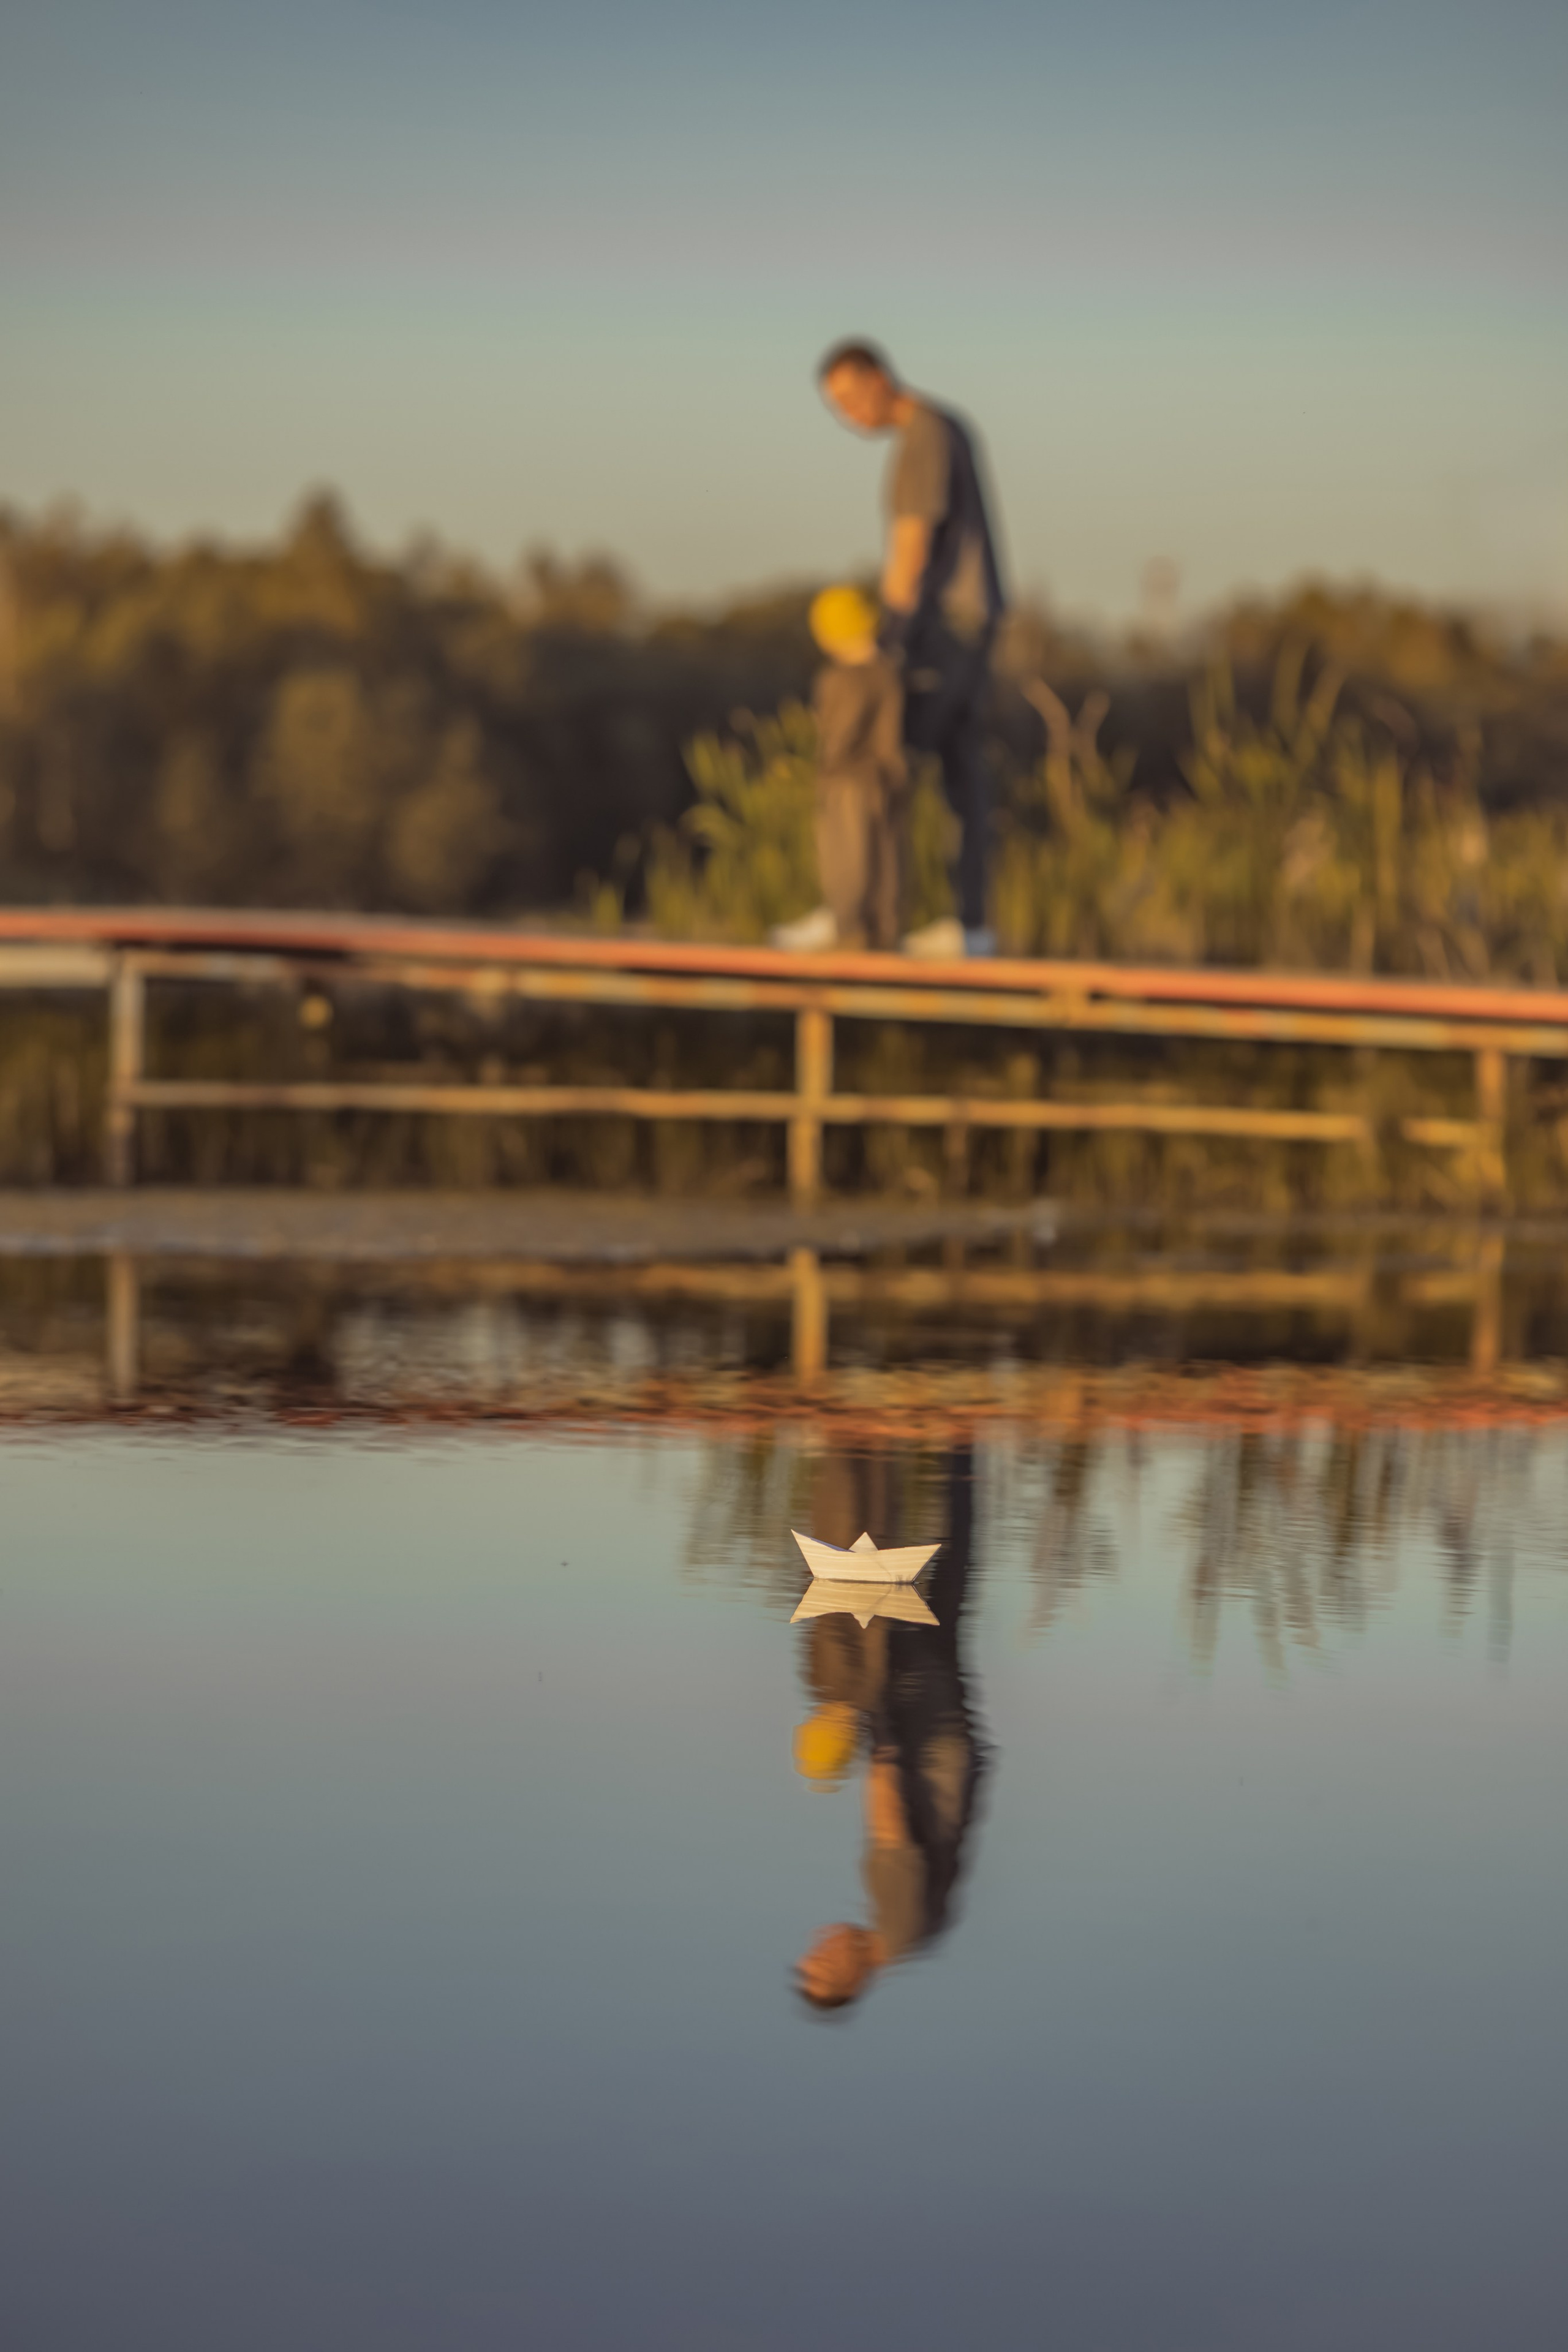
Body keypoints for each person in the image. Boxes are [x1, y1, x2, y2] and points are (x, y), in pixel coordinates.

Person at [817, 339, 1006, 959]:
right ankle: (969, 926)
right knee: (960, 771)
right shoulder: (946, 427)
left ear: (877, 379)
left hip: (943, 628)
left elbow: (911, 546)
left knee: (865, 763)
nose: (848, 417)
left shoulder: (923, 434)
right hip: (974, 623)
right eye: (834, 409)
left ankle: (855, 918)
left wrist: (885, 642)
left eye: (849, 399)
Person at [792, 1447, 988, 2011]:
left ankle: (957, 1453)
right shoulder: (898, 1925)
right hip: (925, 1744)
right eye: (822, 1961)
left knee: (946, 1596)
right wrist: (880, 1743)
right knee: (867, 1605)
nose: (819, 1942)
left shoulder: (914, 1935)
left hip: (947, 1747)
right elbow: (893, 1828)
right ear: (849, 1977)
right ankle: (870, 1457)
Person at [772, 584, 907, 954]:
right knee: (885, 857)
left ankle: (846, 927)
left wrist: (823, 765)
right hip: (887, 778)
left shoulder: (838, 678)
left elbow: (838, 734)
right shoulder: (890, 673)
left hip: (847, 779)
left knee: (845, 857)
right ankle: (883, 931)